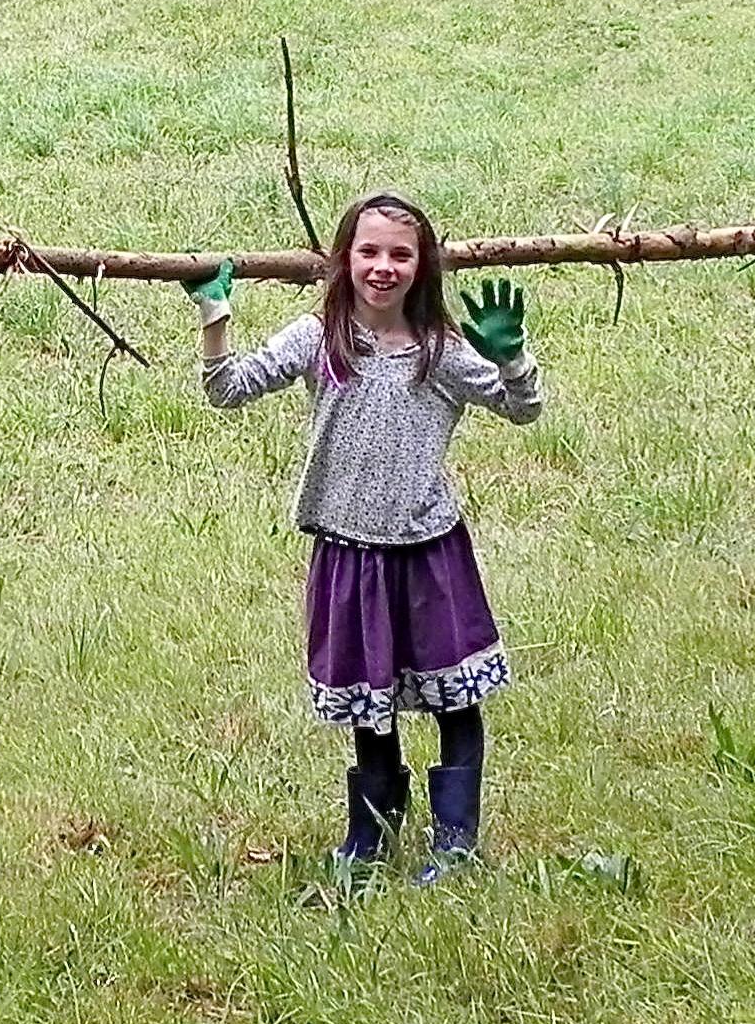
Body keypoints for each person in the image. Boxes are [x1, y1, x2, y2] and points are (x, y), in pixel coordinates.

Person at [187, 194, 541, 884]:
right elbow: (228, 389)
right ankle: (372, 833)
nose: (384, 266)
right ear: (343, 258)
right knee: (368, 701)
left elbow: (522, 408)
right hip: (349, 553)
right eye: (369, 250)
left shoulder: (440, 351)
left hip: (428, 552)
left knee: (454, 696)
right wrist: (214, 312)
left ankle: (456, 839)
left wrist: (513, 357)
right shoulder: (319, 338)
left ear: (422, 266)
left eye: (401, 254)